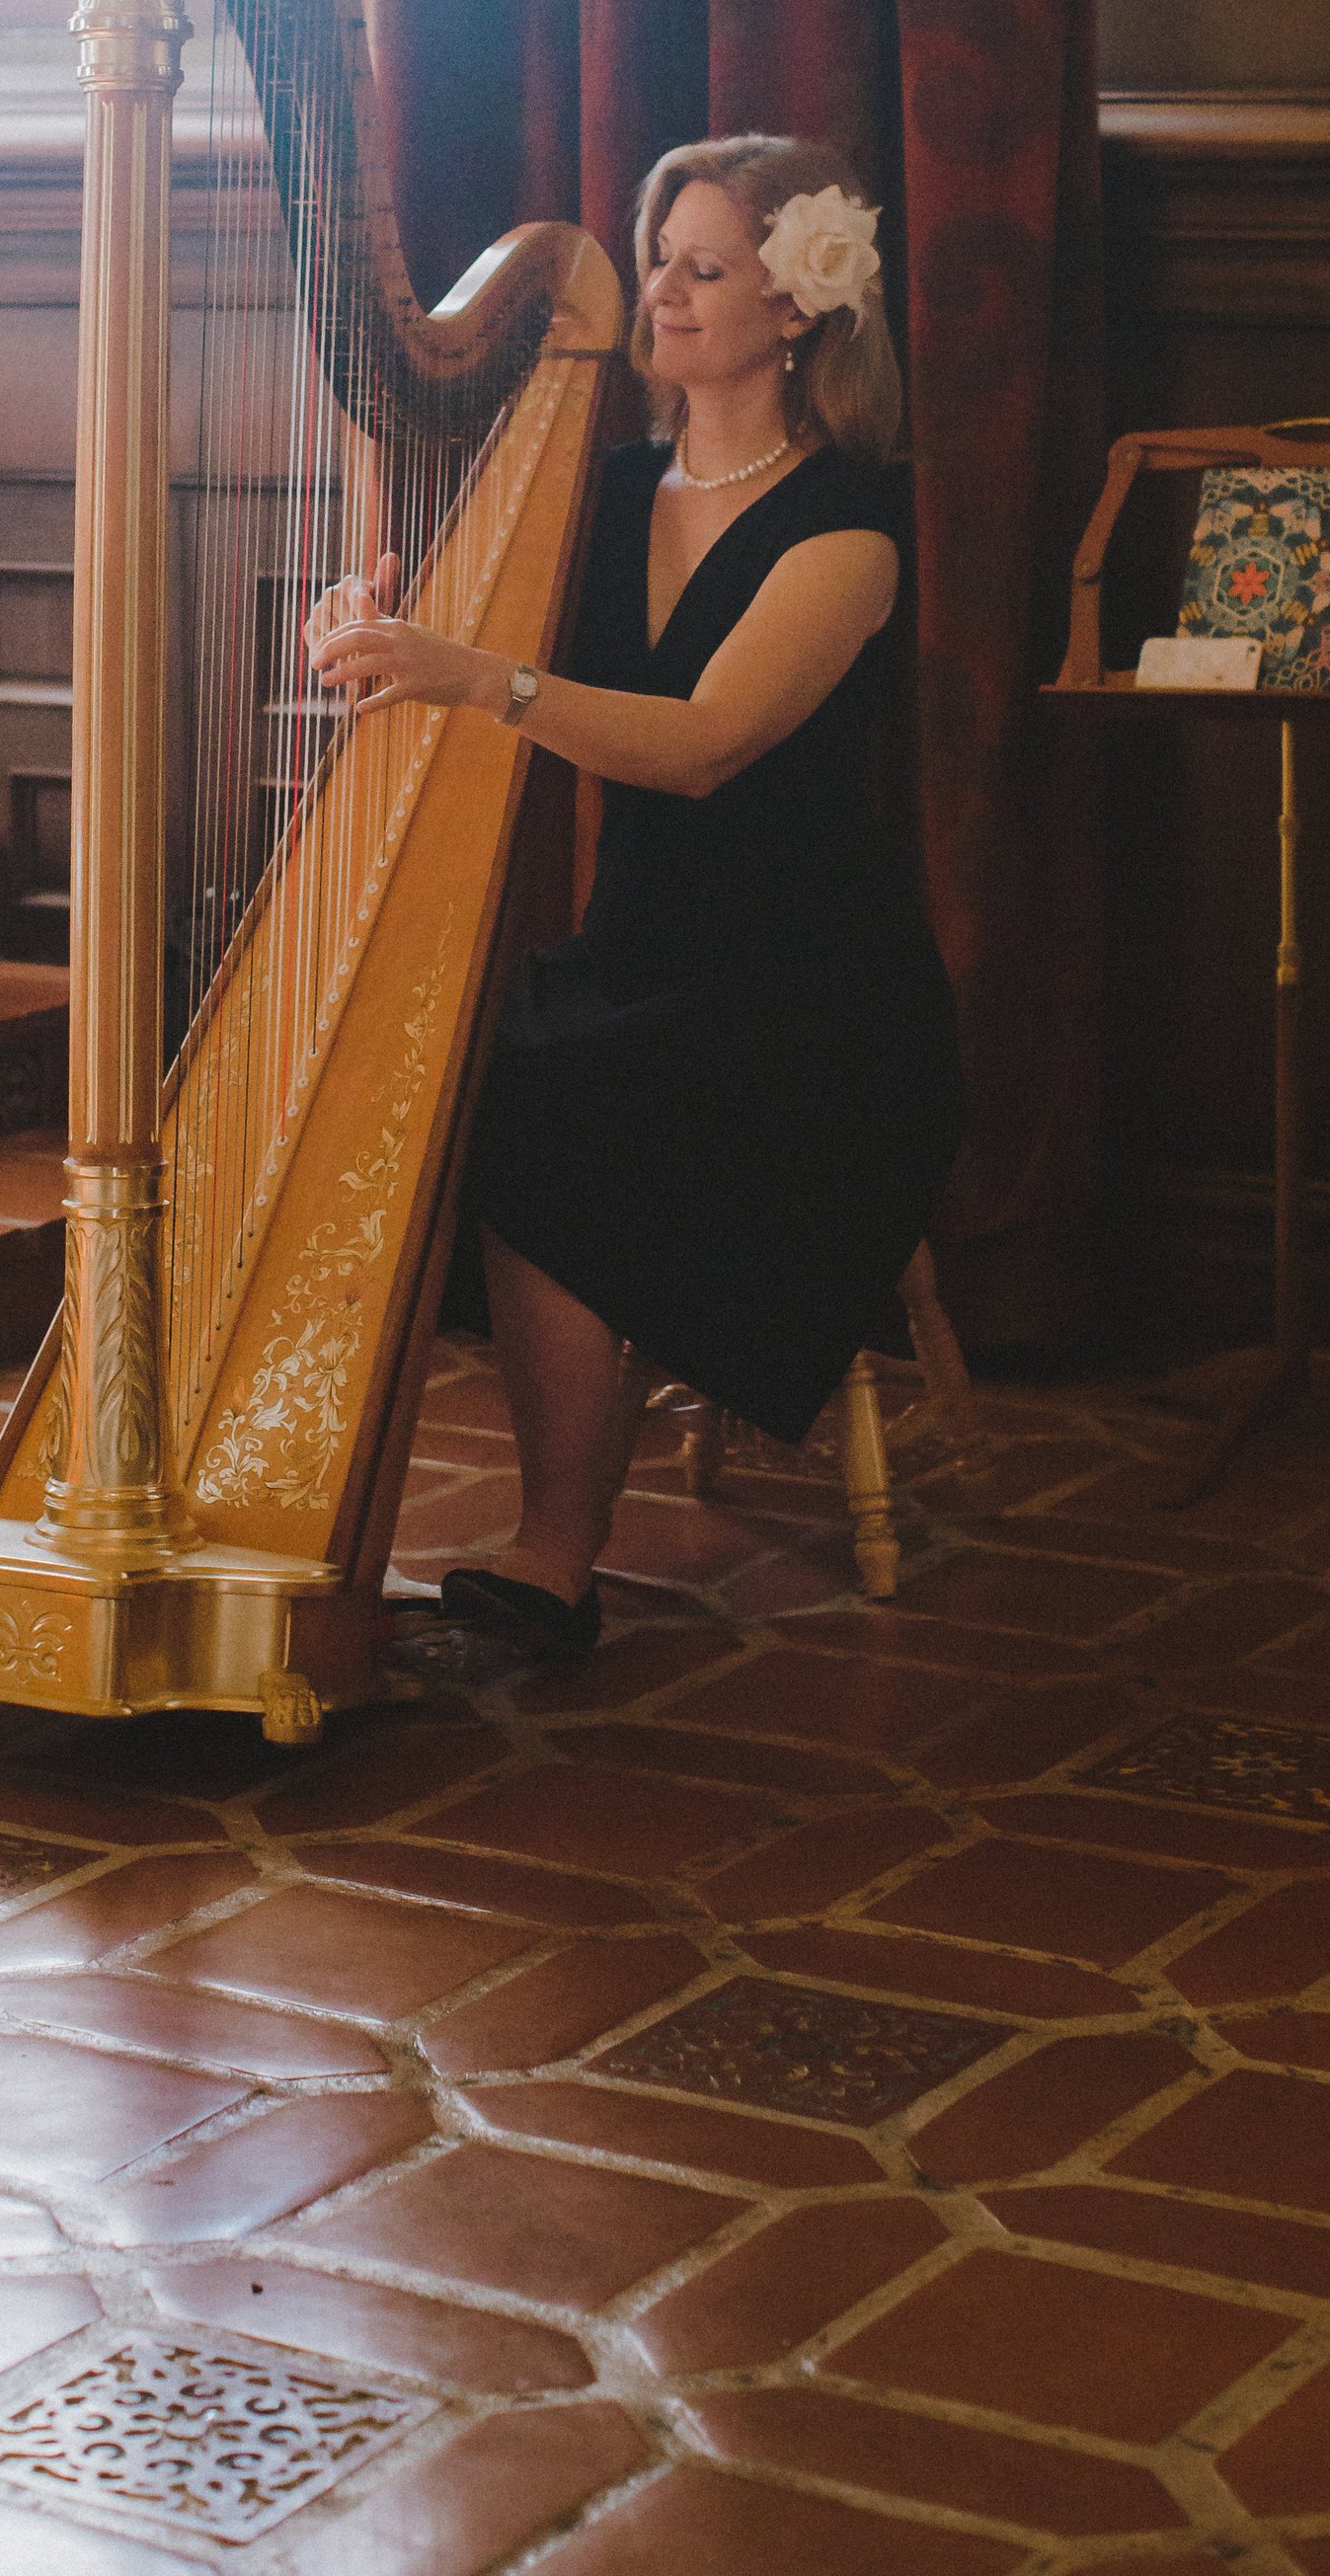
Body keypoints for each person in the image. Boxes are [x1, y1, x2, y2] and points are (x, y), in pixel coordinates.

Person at [305, 134, 964, 1657]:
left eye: (701, 266)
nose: (656, 289)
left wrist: (487, 677)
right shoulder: (596, 490)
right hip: (642, 957)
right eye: (659, 255)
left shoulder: (847, 527)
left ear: (796, 309)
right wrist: (375, 624)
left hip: (816, 1003)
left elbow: (702, 746)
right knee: (484, 1066)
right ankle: (527, 1530)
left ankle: (556, 1549)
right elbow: (445, 638)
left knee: (548, 1097)